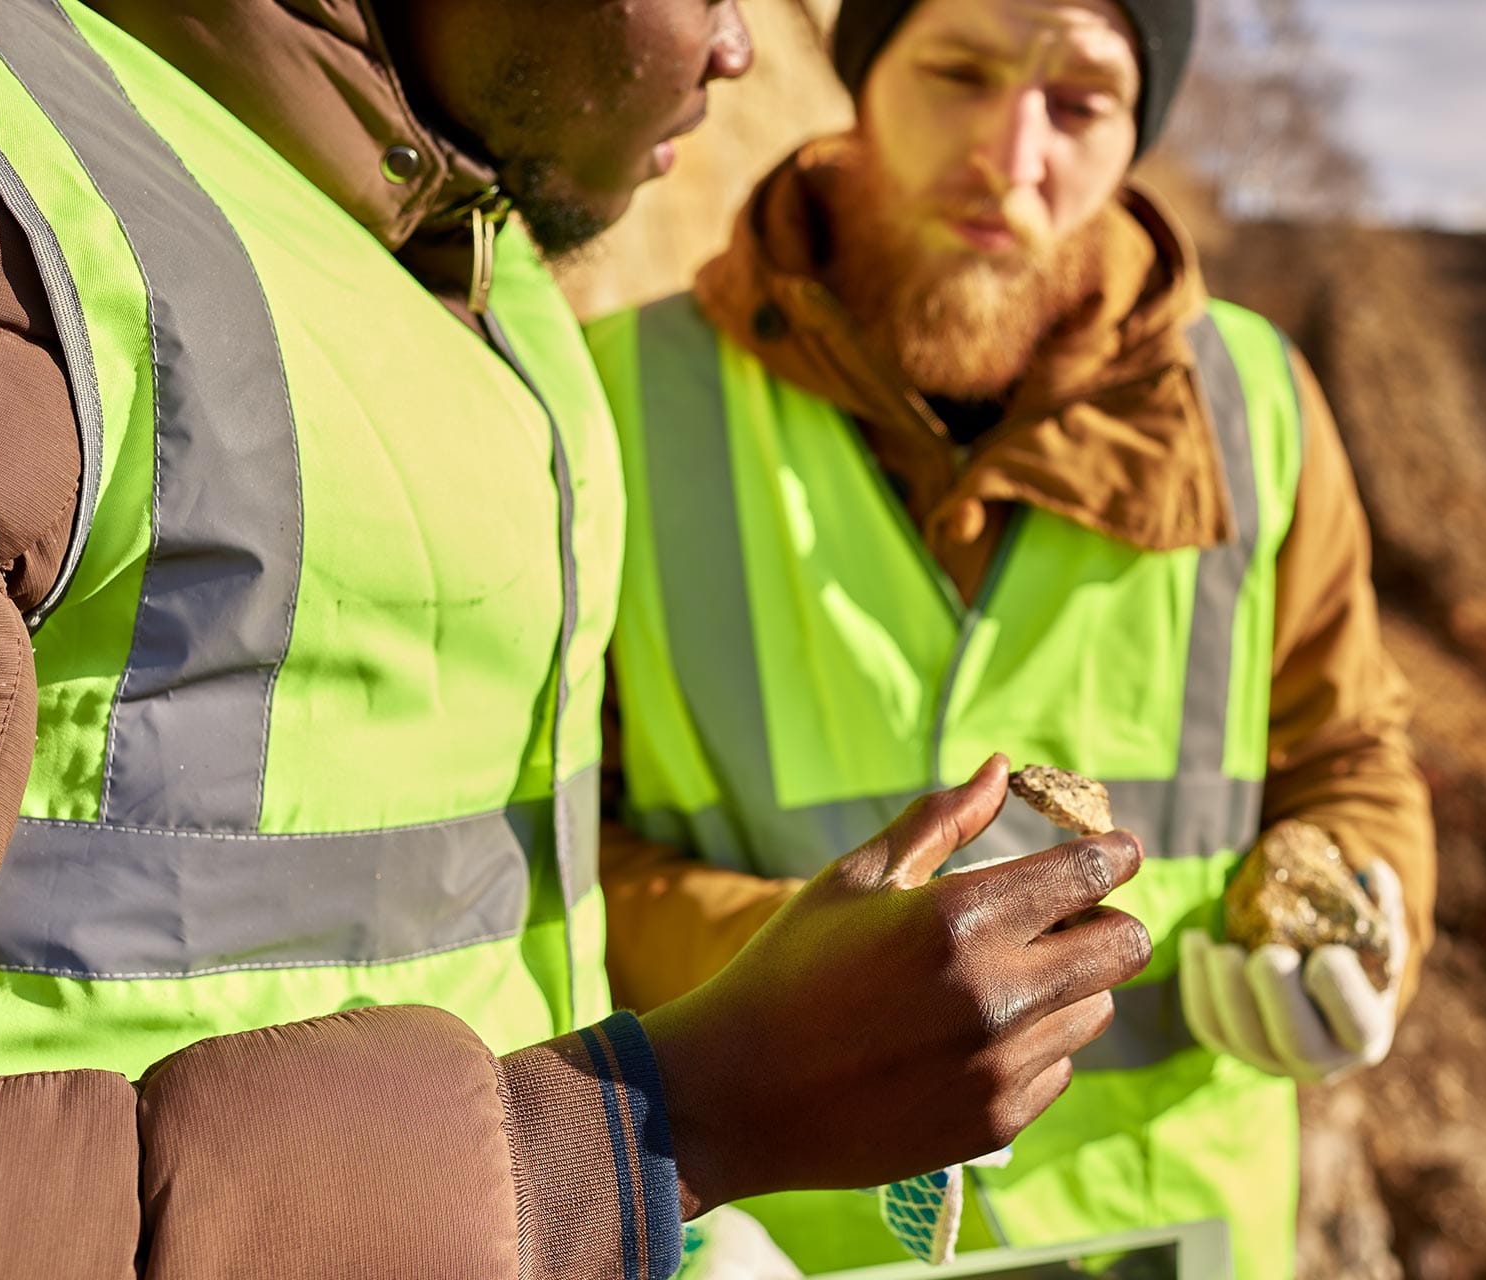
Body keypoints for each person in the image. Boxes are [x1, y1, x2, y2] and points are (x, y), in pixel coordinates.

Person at [0, 2, 1157, 1276]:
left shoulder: (503, 282)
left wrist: (666, 1225)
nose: (739, 49)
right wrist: (657, 1126)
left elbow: (508, 920)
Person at [586, 0, 1438, 1275]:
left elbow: (1347, 744)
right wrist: (787, 995)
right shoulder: (617, 396)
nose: (1012, 151)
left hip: (1170, 1232)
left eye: (1082, 101)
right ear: (862, 79)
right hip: (776, 1229)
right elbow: (538, 850)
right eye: (960, 70)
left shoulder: (1260, 409)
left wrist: (1366, 908)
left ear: (1138, 129)